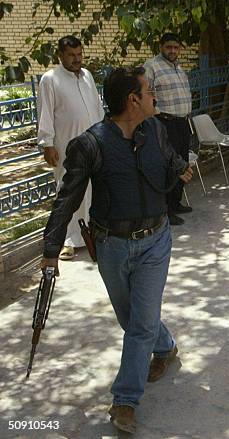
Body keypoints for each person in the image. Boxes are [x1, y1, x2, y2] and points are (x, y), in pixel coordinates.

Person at [40, 67, 193, 434]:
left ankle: (125, 401)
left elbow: (169, 165)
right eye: (149, 91)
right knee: (132, 319)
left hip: (156, 240)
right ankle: (167, 346)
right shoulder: (91, 144)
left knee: (139, 324)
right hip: (111, 246)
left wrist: (180, 170)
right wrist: (50, 249)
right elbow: (67, 199)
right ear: (132, 100)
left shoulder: (156, 129)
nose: (155, 96)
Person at [37, 35, 105, 261]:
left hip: (94, 143)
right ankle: (67, 241)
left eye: (79, 55)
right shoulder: (50, 79)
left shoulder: (87, 76)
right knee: (67, 192)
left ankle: (90, 235)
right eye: (71, 56)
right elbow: (45, 113)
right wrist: (47, 144)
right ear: (60, 55)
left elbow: (97, 107)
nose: (77, 60)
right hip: (67, 146)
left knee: (92, 191)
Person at [144, 33, 193, 226]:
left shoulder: (178, 67)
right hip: (164, 123)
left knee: (182, 162)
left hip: (182, 122)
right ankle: (166, 210)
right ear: (161, 47)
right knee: (168, 166)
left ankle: (176, 202)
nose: (172, 51)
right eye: (168, 47)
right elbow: (147, 95)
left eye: (176, 47)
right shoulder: (152, 66)